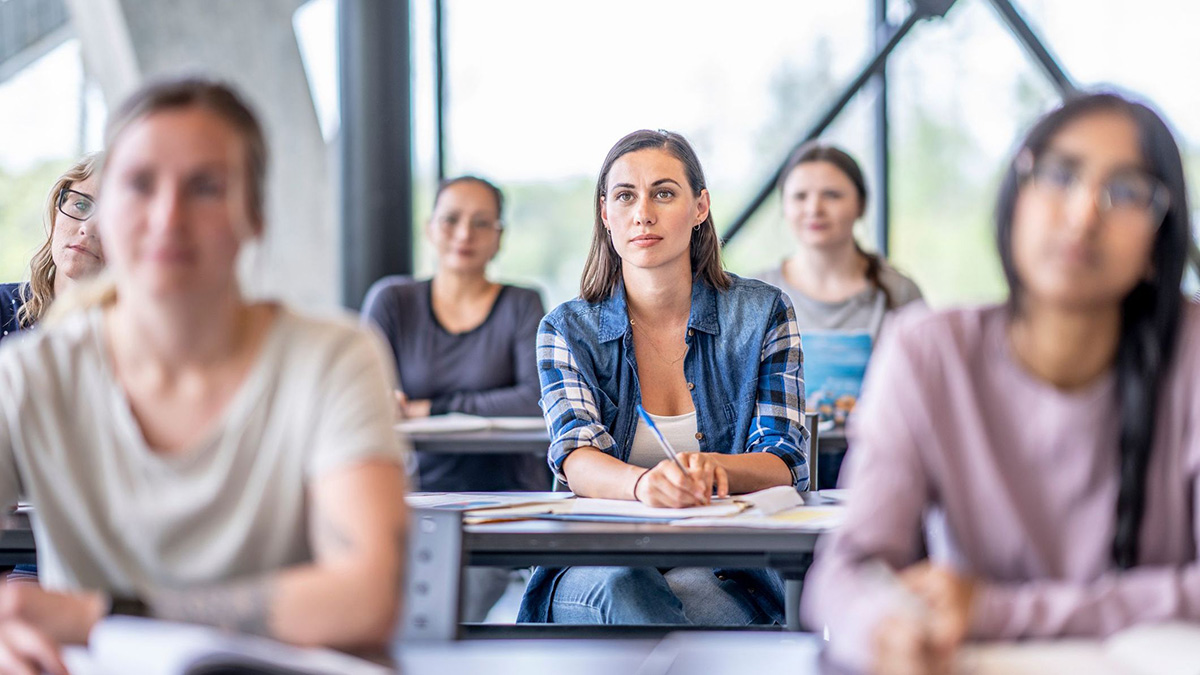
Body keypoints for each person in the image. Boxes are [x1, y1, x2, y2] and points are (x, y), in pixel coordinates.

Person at [0, 77, 408, 673]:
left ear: (256, 217)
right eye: (140, 184)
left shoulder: (333, 358)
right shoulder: (32, 373)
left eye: (206, 187)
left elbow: (366, 597)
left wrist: (100, 615)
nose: (169, 216)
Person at [802, 92, 1196, 674]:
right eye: (1061, 175)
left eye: (1128, 191)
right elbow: (846, 571)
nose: (1085, 213)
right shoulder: (930, 352)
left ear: (1159, 245)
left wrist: (999, 610)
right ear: (1017, 199)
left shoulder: (1190, 354)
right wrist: (886, 627)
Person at [517, 129, 808, 626]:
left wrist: (710, 470)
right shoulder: (565, 329)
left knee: (686, 604)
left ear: (700, 207)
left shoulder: (765, 312)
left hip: (722, 564)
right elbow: (575, 457)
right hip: (597, 562)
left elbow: (784, 460)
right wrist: (647, 485)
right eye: (625, 196)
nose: (643, 213)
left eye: (664, 193)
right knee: (628, 585)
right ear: (606, 214)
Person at [361, 175, 544, 621]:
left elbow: (536, 399)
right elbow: (361, 394)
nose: (465, 234)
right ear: (430, 228)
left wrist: (431, 408)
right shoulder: (392, 301)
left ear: (499, 238)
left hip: (502, 508)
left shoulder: (522, 304)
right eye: (452, 220)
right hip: (413, 503)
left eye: (482, 223)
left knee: (437, 613)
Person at [755, 142, 922, 340]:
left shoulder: (900, 293)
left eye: (831, 195)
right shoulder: (756, 295)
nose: (814, 209)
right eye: (800, 196)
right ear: (784, 206)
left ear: (861, 205)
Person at [0, 154, 104, 345]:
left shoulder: (139, 340)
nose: (87, 228)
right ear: (56, 212)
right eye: (80, 205)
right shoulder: (3, 306)